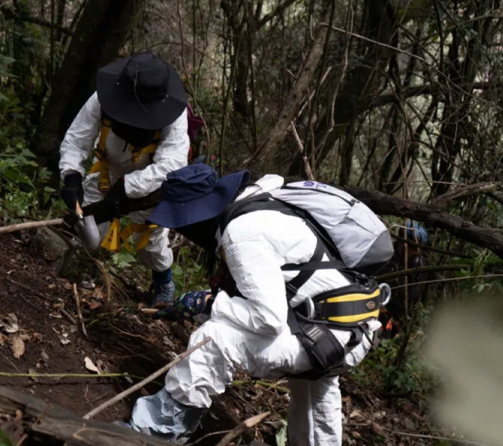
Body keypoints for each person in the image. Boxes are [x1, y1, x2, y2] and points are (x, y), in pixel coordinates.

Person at [123, 164, 383, 445]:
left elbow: (268, 319)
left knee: (215, 340)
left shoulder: (241, 233)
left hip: (324, 331)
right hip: (343, 329)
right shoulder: (258, 204)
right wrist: (205, 305)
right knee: (315, 395)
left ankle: (152, 433)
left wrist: (209, 303)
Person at [59, 51, 190, 305]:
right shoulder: (102, 99)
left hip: (149, 183)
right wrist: (71, 175)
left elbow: (172, 165)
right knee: (87, 226)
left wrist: (128, 189)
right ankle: (80, 266)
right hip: (107, 172)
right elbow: (77, 139)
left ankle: (163, 280)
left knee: (149, 243)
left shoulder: (174, 116)